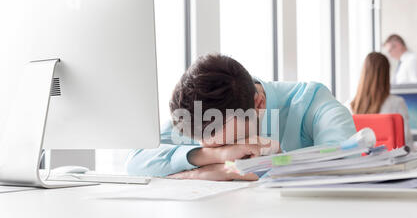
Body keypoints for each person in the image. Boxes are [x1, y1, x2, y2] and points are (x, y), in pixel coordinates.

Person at [127, 53, 357, 181]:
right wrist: (208, 157)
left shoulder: (314, 104)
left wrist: (272, 164)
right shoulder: (200, 114)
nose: (228, 151)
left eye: (230, 143)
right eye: (210, 147)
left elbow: (347, 165)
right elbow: (135, 161)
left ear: (259, 104)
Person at [350, 52, 417, 151]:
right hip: (389, 163)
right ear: (386, 75)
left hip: (360, 164)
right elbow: (406, 147)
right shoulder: (397, 103)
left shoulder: (349, 105)